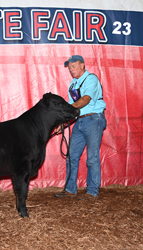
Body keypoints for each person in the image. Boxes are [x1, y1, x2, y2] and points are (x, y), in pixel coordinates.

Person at [54, 55, 107, 200]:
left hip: (93, 119)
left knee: (92, 157)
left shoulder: (91, 79)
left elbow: (85, 100)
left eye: (74, 66)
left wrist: (65, 111)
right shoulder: (73, 84)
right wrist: (63, 123)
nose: (71, 69)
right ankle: (71, 189)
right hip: (80, 121)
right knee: (72, 156)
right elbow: (73, 109)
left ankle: (92, 191)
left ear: (83, 65)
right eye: (70, 67)